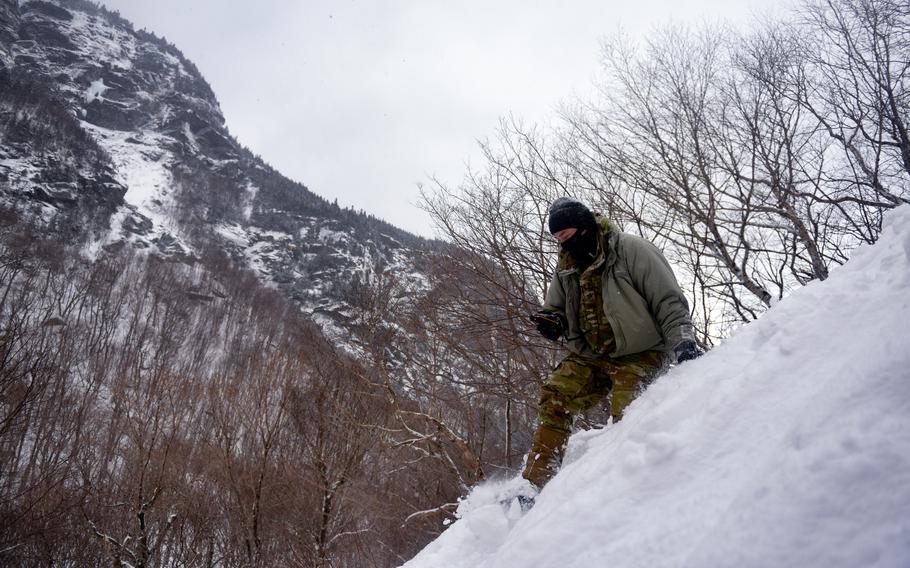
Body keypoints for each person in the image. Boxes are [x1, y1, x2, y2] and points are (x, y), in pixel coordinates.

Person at [522, 197, 700, 490]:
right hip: (591, 353)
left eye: (566, 236)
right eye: (558, 240)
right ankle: (534, 483)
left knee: (629, 414)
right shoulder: (567, 265)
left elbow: (668, 300)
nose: (563, 245)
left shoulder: (632, 251)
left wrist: (682, 342)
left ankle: (624, 488)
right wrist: (552, 321)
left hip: (640, 352)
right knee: (556, 396)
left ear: (583, 227)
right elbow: (554, 306)